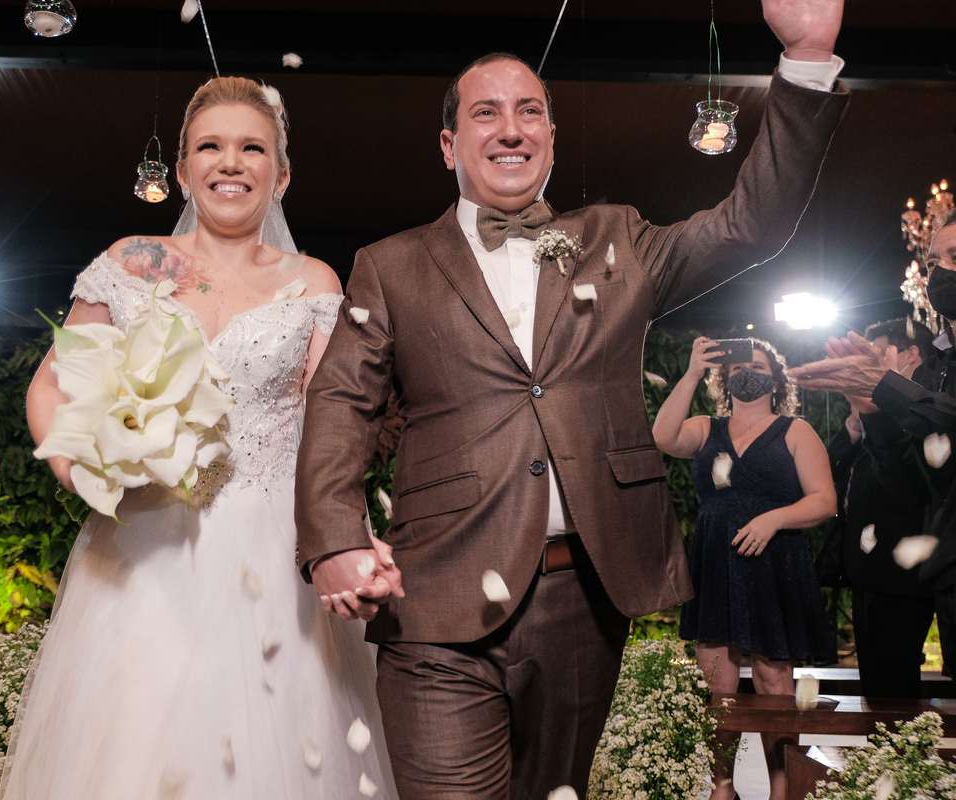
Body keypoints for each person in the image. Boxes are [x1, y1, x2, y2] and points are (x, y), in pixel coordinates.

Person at [294, 0, 848, 796]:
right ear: (449, 144)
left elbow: (750, 226)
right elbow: (341, 403)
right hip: (435, 594)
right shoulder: (390, 266)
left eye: (530, 112)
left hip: (583, 599)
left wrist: (806, 58)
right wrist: (333, 539)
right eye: (486, 113)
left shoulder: (618, 237)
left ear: (551, 139)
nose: (511, 129)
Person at [1, 77, 400, 800]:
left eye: (254, 148)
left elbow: (336, 427)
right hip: (142, 548)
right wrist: (81, 470)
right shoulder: (133, 262)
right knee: (133, 746)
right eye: (210, 147)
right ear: (183, 170)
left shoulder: (313, 281)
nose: (231, 162)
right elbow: (52, 386)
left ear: (281, 174)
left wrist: (350, 532)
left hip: (275, 554)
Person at [653, 336, 836, 800]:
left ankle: (782, 788)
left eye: (756, 367)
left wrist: (774, 519)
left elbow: (824, 500)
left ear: (775, 381)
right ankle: (722, 787)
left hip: (776, 565)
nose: (746, 373)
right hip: (716, 563)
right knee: (717, 682)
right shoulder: (705, 428)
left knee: (774, 679)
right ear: (723, 380)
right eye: (736, 368)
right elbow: (663, 438)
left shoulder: (796, 431)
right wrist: (692, 371)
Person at [789, 210, 956, 676]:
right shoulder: (937, 370)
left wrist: (885, 387)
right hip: (940, 572)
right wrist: (872, 413)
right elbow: (910, 484)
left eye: (954, 256)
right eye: (932, 263)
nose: (939, 272)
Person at [824, 318, 934, 698]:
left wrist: (878, 416)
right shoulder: (867, 412)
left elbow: (907, 485)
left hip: (902, 570)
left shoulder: (926, 408)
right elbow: (829, 472)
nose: (865, 367)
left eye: (875, 356)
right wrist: (857, 425)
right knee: (875, 684)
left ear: (910, 354)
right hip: (866, 569)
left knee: (893, 687)